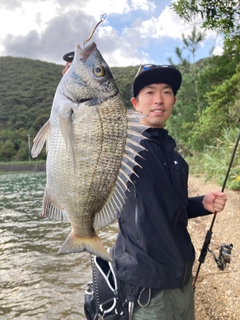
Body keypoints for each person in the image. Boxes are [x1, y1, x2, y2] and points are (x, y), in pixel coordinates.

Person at [62, 52, 227, 319]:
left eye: (166, 92)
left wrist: (202, 204)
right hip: (147, 289)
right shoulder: (124, 148)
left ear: (174, 100)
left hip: (183, 281)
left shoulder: (177, 159)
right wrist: (77, 84)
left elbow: (173, 208)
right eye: (150, 92)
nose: (159, 99)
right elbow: (84, 132)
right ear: (135, 103)